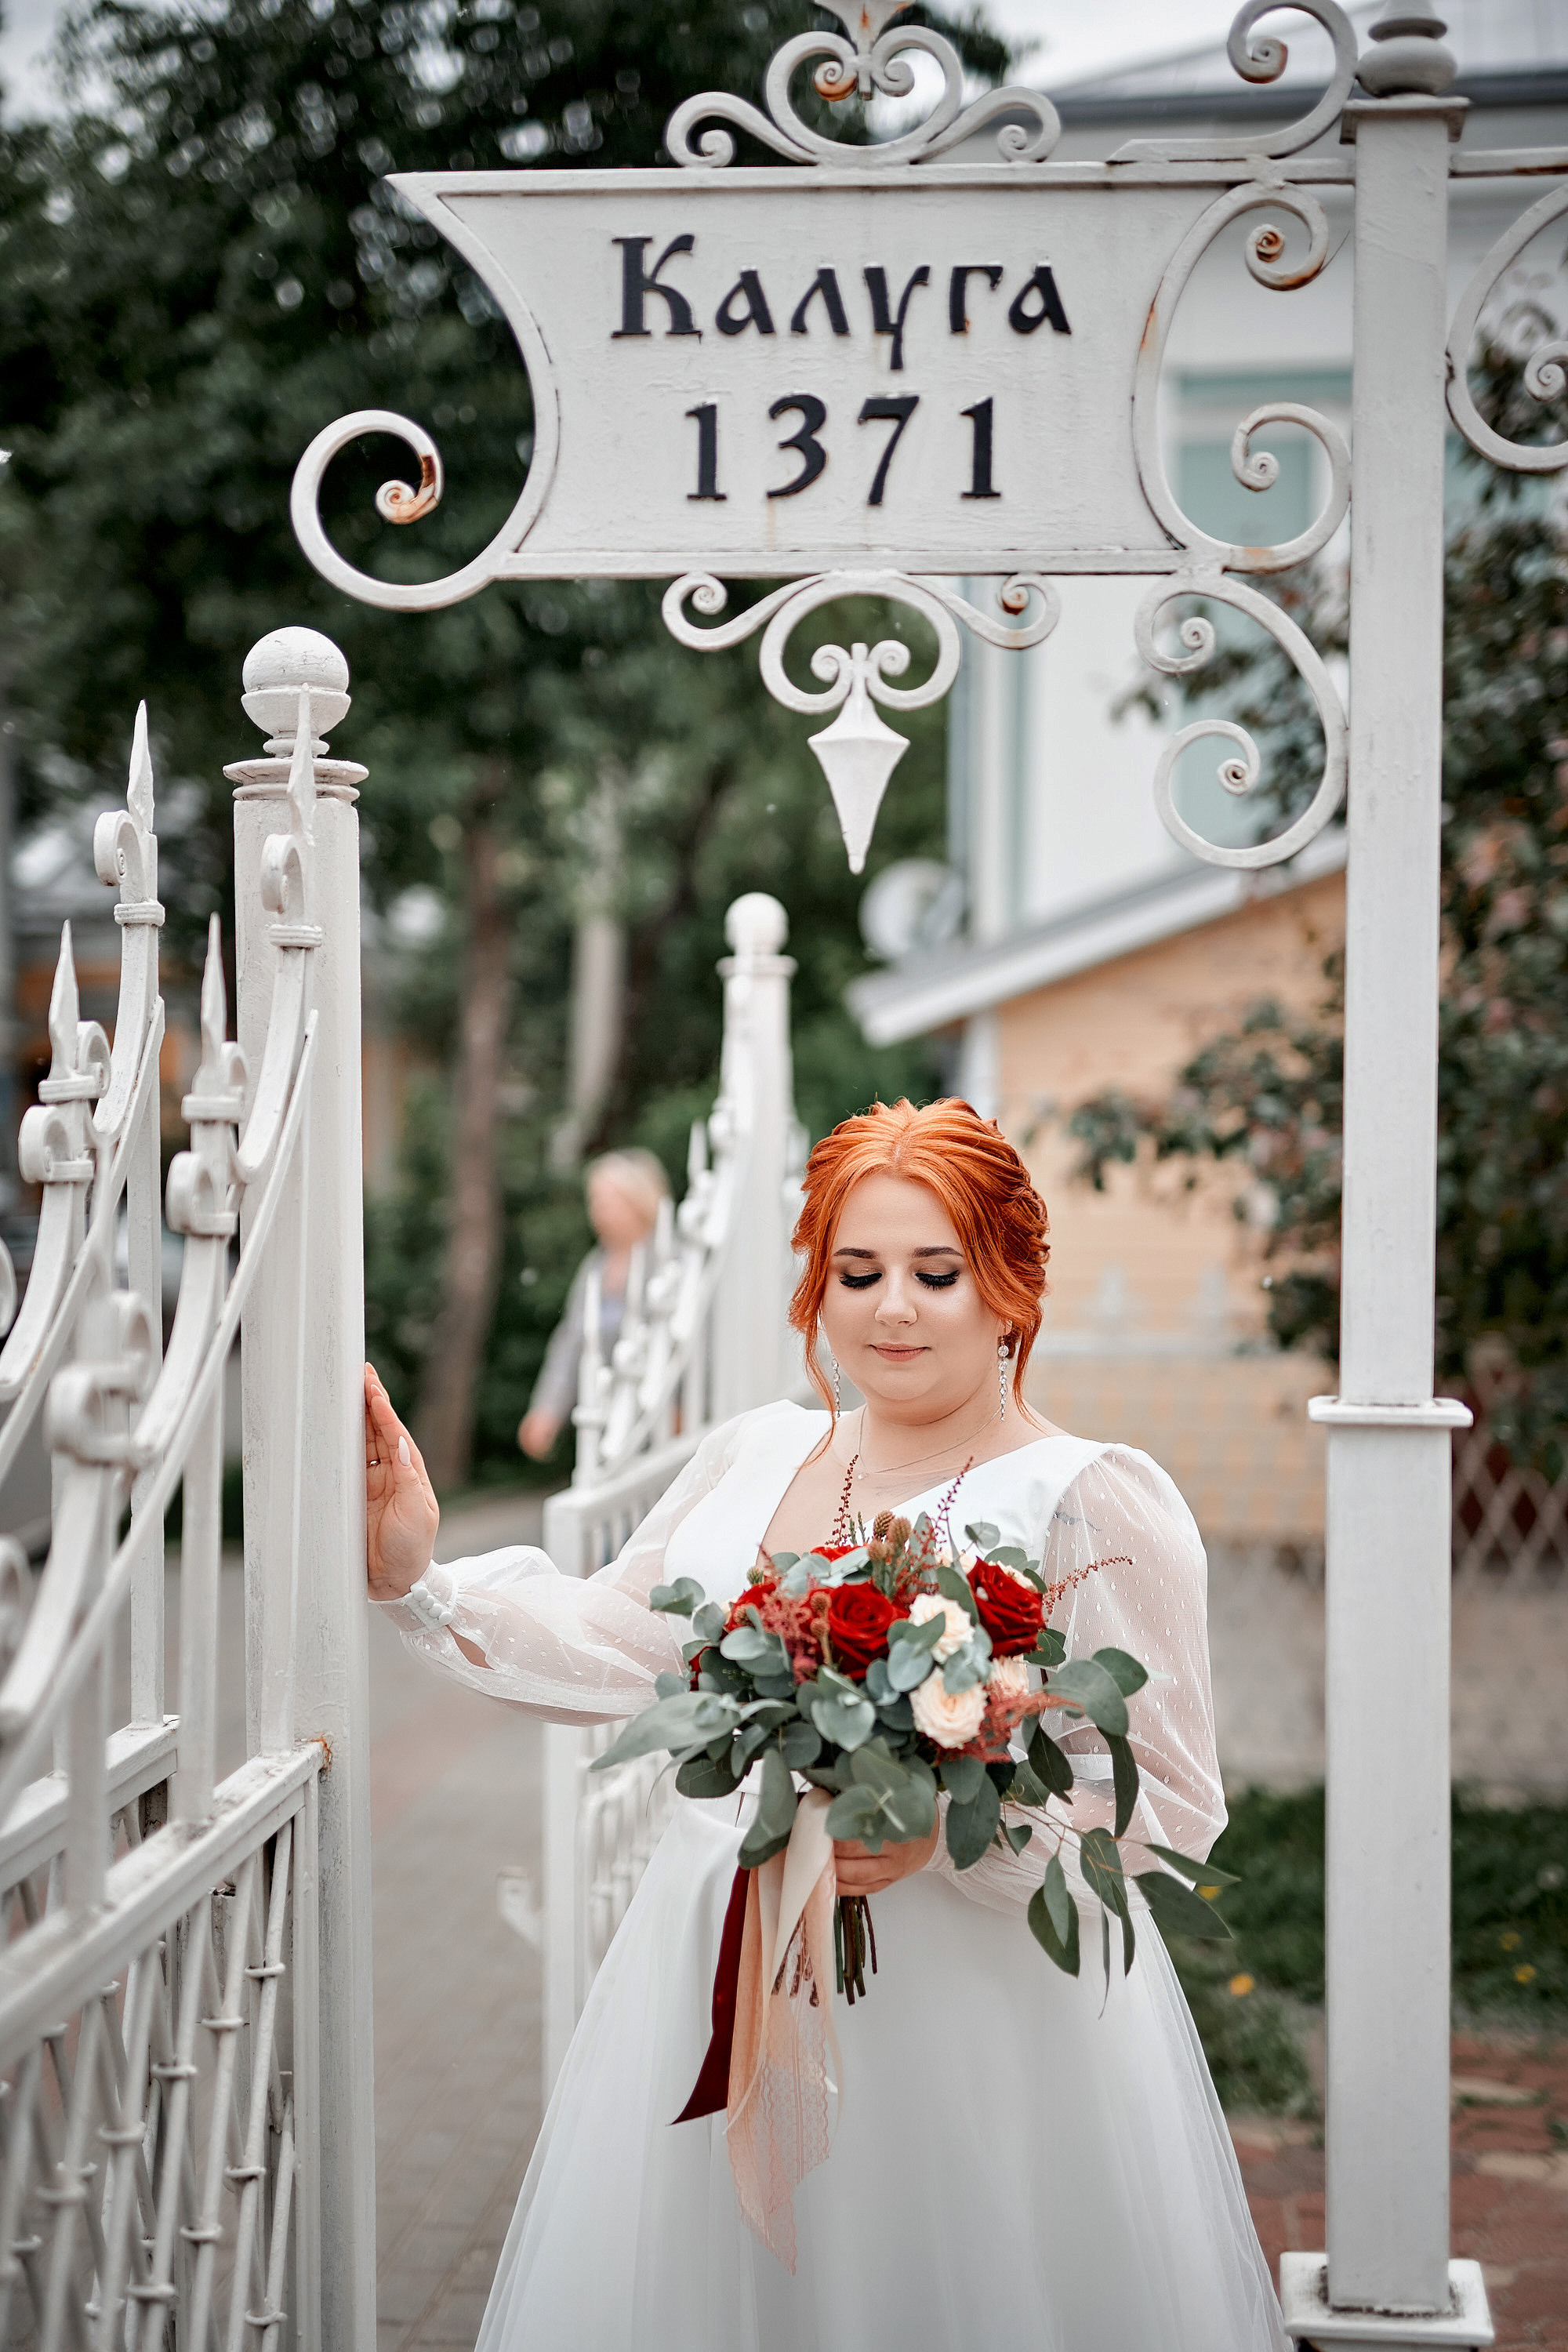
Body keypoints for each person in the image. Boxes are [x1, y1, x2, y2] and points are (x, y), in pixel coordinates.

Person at [365, 1098, 1287, 2351]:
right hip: (721, 1964)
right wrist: (422, 1581)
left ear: (1010, 1286)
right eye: (857, 1271)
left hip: (973, 2024)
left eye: (934, 1272)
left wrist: (958, 1838)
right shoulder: (756, 1453)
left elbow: (1172, 1811)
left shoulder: (1093, 1500)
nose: (890, 1308)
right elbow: (621, 1646)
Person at [516, 1146, 670, 1461]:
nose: (598, 1211)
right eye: (594, 1200)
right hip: (607, 1424)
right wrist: (546, 1410)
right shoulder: (595, 1267)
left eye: (608, 1200)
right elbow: (571, 1342)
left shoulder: (670, 1259)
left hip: (664, 1425)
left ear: (637, 1201)